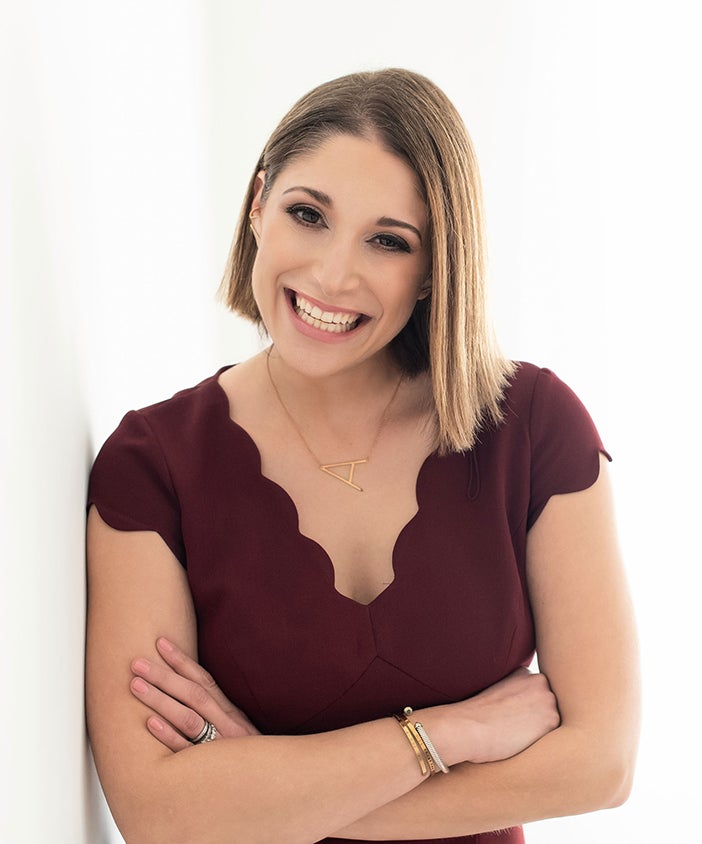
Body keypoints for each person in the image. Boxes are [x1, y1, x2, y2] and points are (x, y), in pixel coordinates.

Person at [86, 68, 640, 843]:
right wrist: (444, 738)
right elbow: (157, 814)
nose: (332, 274)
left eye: (388, 240)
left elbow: (602, 766)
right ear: (257, 206)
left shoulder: (534, 428)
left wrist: (265, 791)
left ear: (432, 270)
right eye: (308, 214)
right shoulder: (151, 465)